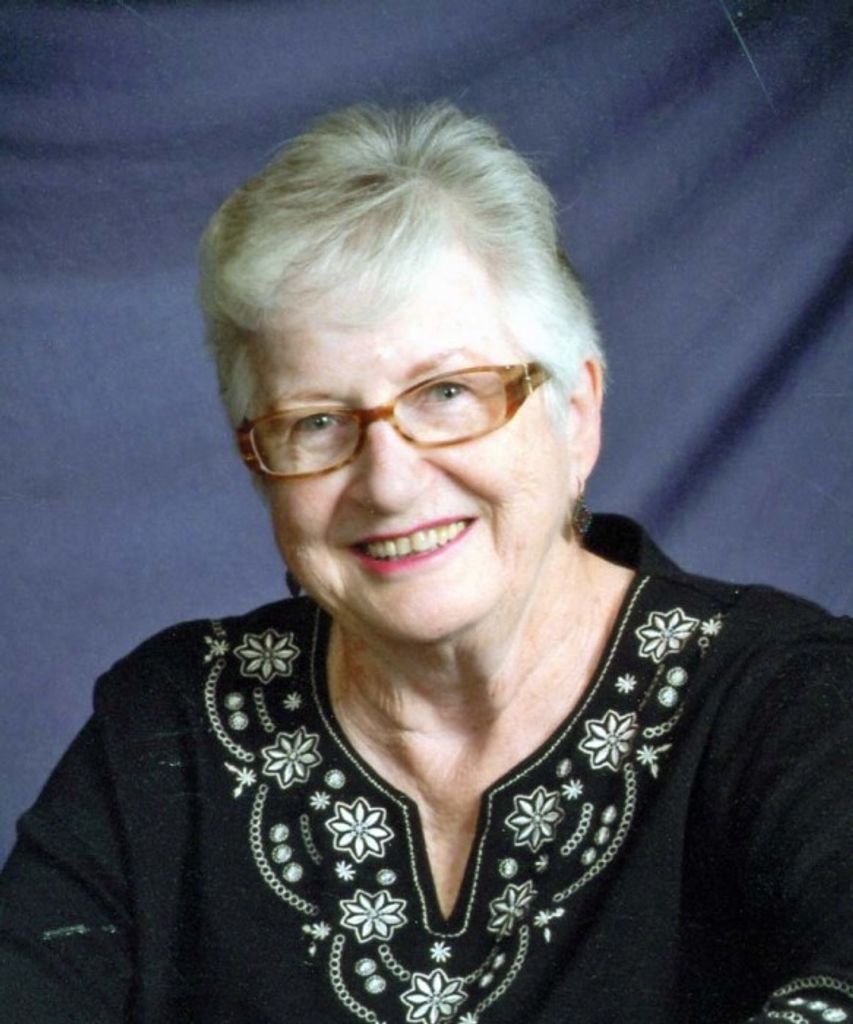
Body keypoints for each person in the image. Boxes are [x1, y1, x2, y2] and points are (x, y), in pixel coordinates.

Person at [1, 102, 851, 1024]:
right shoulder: (170, 724)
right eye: (317, 421)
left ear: (575, 416)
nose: (389, 483)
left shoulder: (786, 699)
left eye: (447, 393)